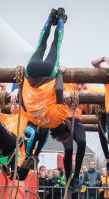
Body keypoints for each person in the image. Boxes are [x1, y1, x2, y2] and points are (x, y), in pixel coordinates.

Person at [21, 8, 71, 143]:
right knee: (40, 46)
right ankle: (50, 18)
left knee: (55, 45)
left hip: (48, 75)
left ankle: (60, 17)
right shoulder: (35, 121)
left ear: (65, 126)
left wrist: (60, 72)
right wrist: (22, 81)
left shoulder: (61, 116)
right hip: (30, 73)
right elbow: (22, 102)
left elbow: (59, 90)